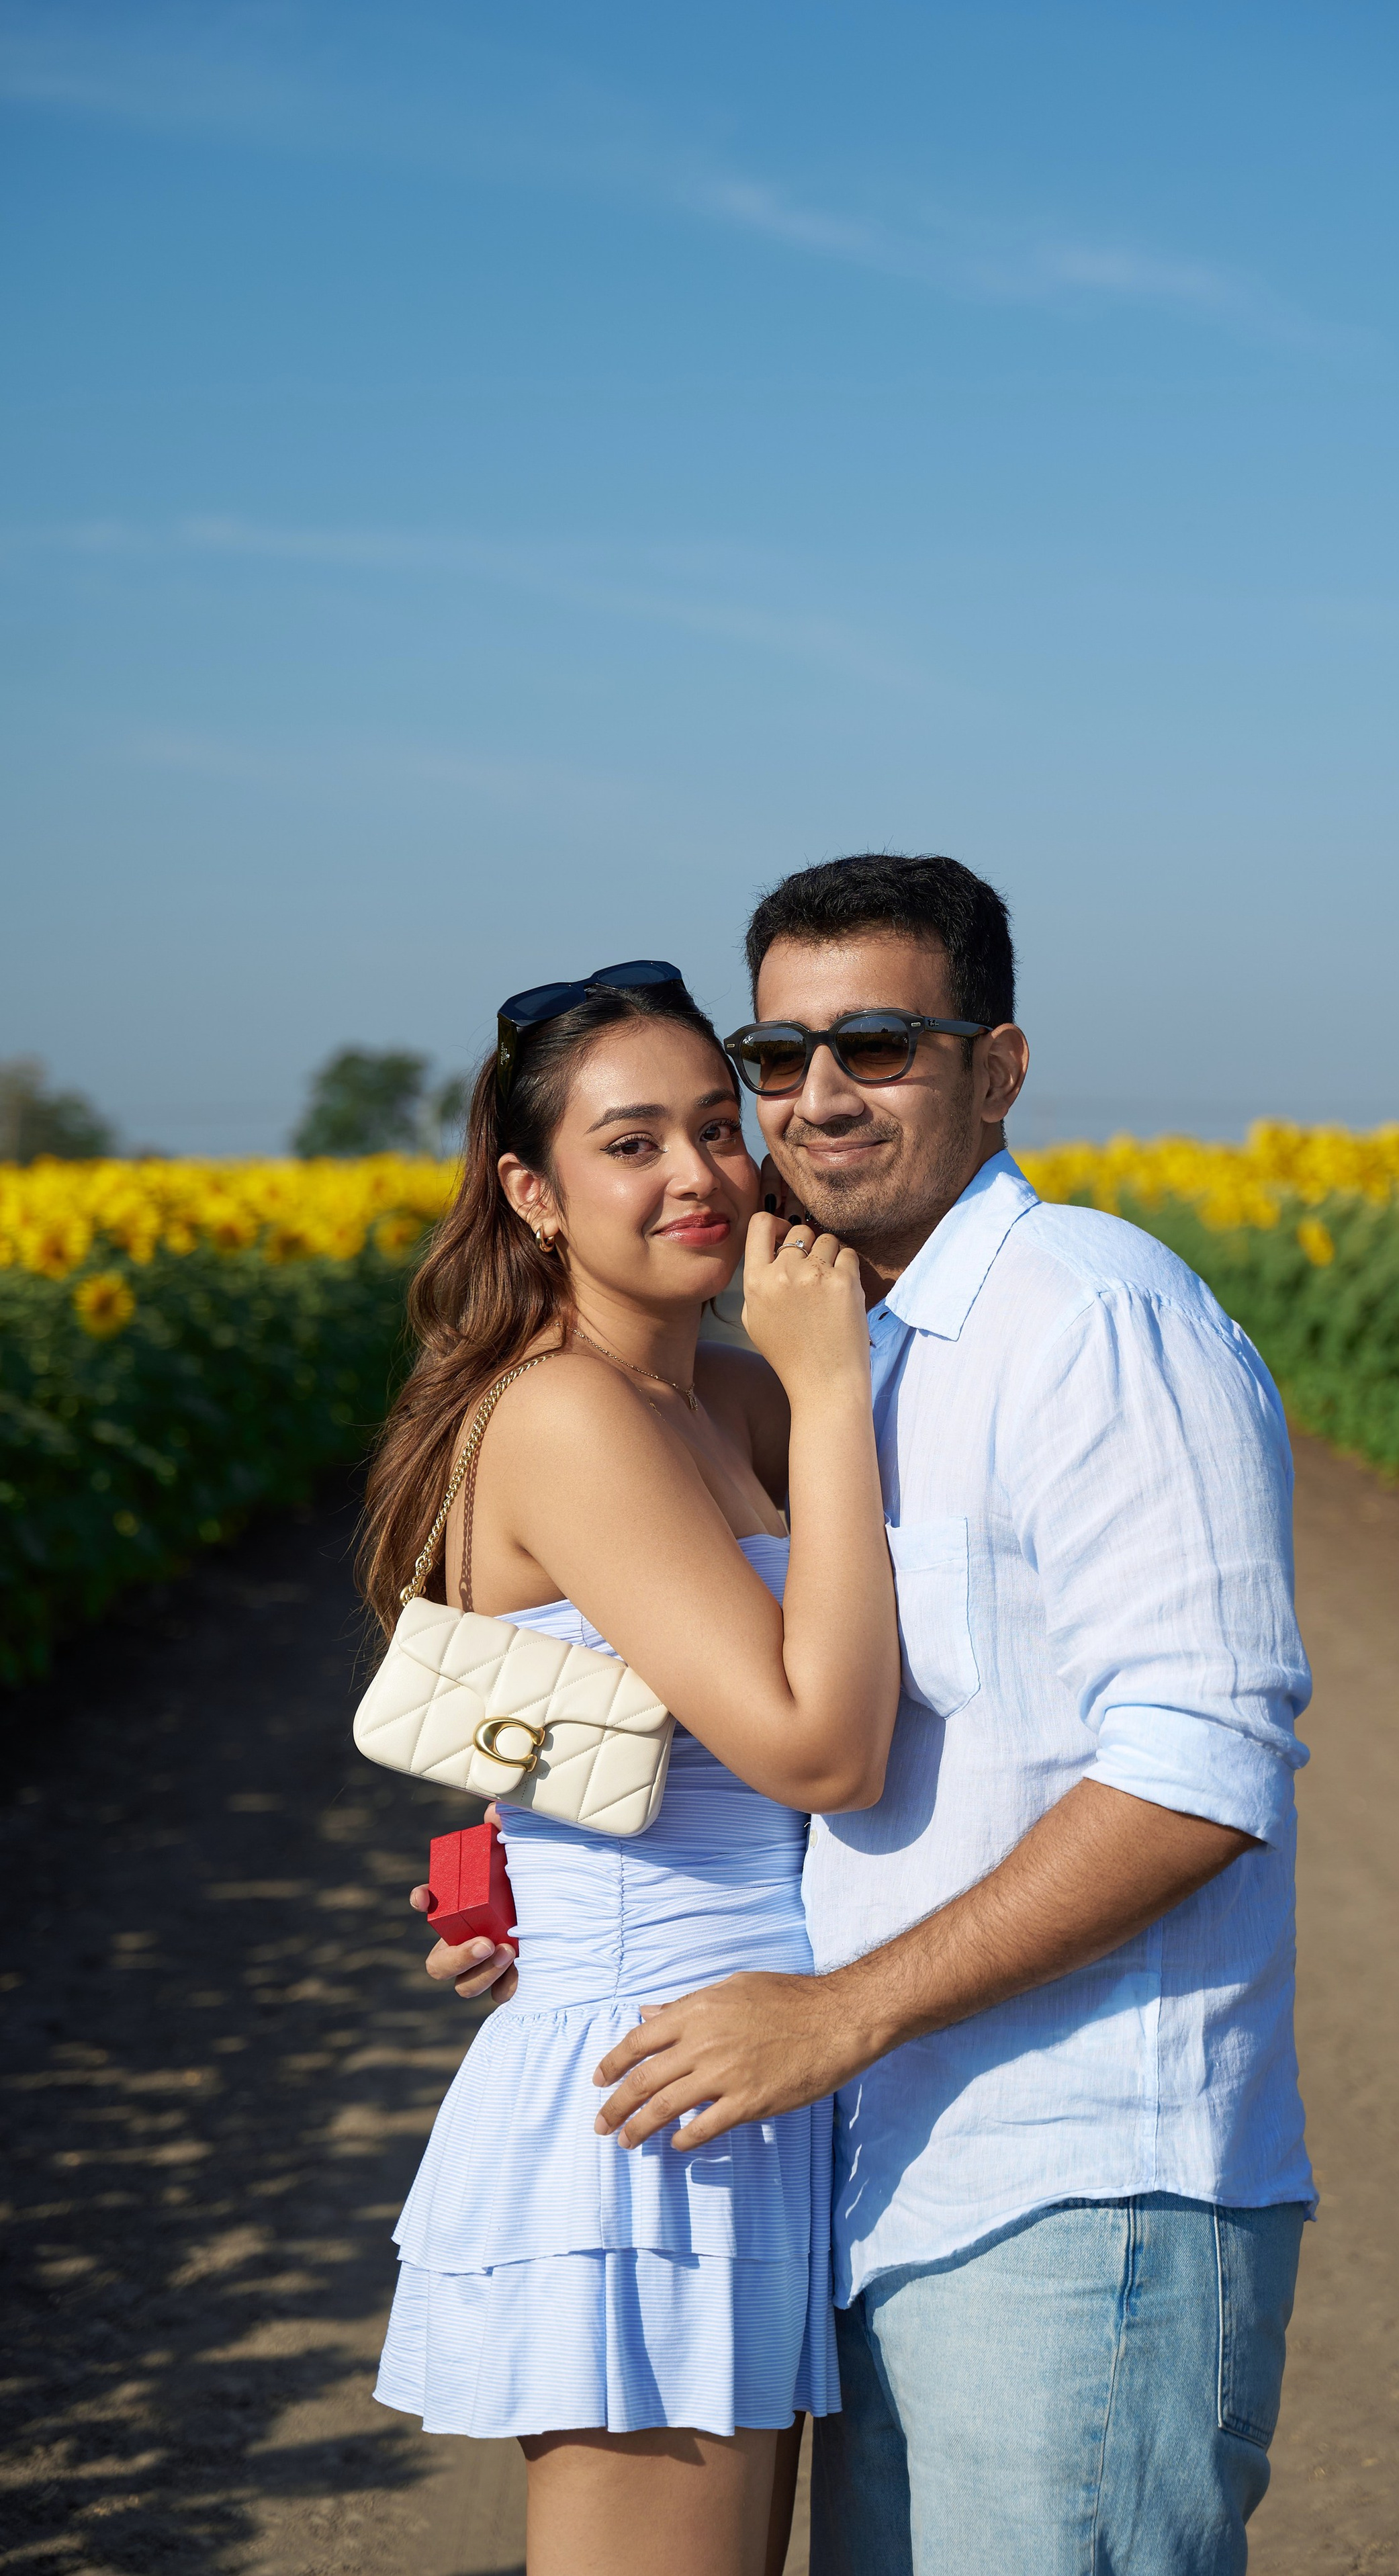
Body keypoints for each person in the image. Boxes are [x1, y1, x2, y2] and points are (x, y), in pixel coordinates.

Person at [431, 856, 1316, 2576]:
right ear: (535, 1194)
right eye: (779, 1058)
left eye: (880, 1045)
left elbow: (1200, 1769)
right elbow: (540, 1690)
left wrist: (840, 2013)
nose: (806, 1103)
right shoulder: (841, 1358)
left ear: (997, 1066)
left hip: (1064, 2171)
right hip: (825, 2144)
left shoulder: (1082, 1317)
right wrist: (511, 1882)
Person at [363, 959, 900, 2576]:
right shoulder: (571, 1414)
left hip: (750, 2064)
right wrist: (832, 1382)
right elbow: (818, 1744)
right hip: (650, 2098)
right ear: (531, 1191)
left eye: (713, 1129)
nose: (696, 1175)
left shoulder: (712, 1394)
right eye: (630, 1143)